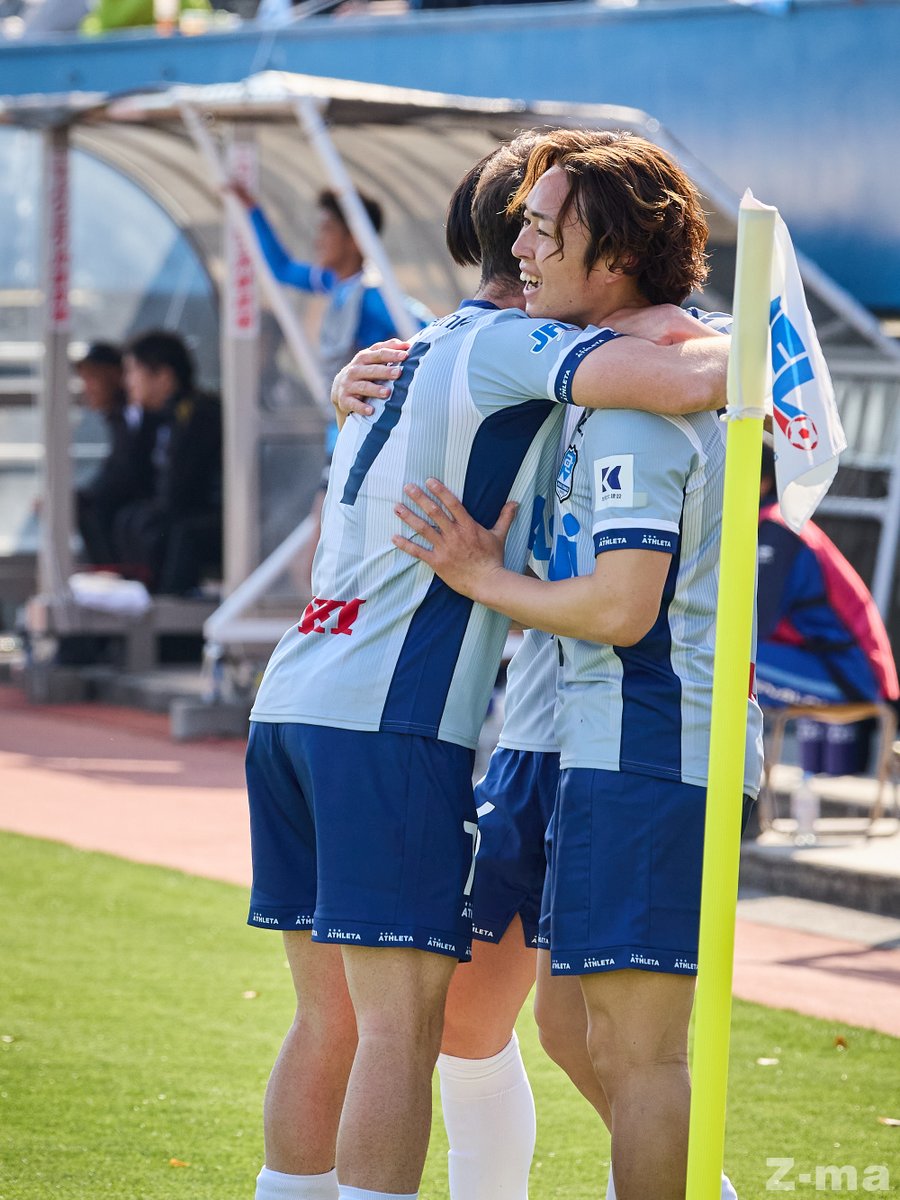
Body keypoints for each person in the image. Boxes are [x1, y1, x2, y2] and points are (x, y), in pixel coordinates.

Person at [244, 126, 734, 1200]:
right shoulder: (516, 352)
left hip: (297, 699)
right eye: (530, 226)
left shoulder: (406, 355)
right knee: (401, 1028)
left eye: (546, 229)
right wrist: (758, 347)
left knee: (353, 1020)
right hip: (393, 720)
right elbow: (686, 375)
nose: (531, 246)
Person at [390, 133, 764, 1200]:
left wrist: (476, 573)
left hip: (643, 748)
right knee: (565, 1024)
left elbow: (619, 605)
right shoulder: (600, 376)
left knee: (634, 1049)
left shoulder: (643, 406)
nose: (521, 253)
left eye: (545, 231)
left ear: (616, 260)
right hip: (581, 737)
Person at [228, 181, 432, 589]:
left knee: (319, 560)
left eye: (328, 230)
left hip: (363, 440)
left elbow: (429, 336)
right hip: (336, 438)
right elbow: (282, 268)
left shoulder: (374, 298)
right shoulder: (335, 286)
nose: (318, 239)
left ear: (355, 237)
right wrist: (250, 208)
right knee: (318, 557)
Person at [757, 439, 899, 771]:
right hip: (820, 663)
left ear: (762, 480)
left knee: (723, 665)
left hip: (852, 677)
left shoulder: (779, 530)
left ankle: (742, 804)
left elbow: (754, 624)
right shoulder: (774, 523)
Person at [113, 330, 222, 595]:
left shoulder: (197, 414)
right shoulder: (158, 416)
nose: (127, 383)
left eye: (133, 372)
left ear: (163, 377)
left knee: (167, 530)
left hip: (212, 515)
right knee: (131, 518)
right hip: (184, 511)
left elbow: (179, 487)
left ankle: (167, 615)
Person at [73, 341, 156, 569]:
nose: (86, 387)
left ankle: (113, 573)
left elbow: (128, 470)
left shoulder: (139, 412)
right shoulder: (119, 417)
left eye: (92, 378)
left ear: (115, 375)